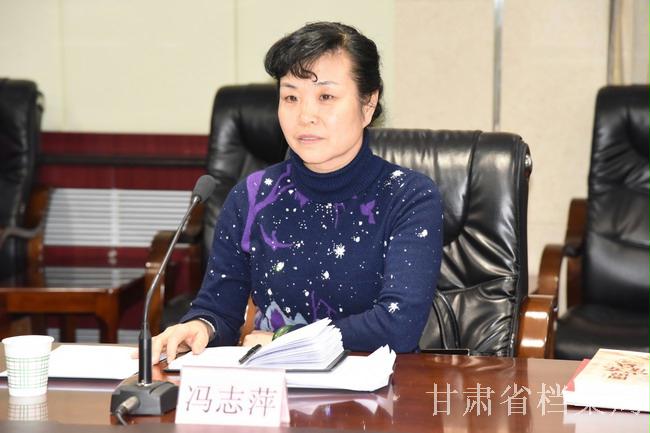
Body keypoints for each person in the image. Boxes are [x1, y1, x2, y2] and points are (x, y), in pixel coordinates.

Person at [151, 22, 443, 364]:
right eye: (291, 97)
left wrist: (284, 339)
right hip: (271, 385)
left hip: (376, 386)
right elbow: (219, 310)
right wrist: (200, 326)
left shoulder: (409, 197)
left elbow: (398, 326)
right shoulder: (252, 196)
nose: (305, 115)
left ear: (368, 104)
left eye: (326, 97)